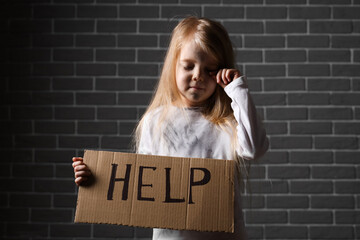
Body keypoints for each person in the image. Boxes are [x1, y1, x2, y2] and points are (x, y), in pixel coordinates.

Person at [73, 16, 268, 240]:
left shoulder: (228, 123)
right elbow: (141, 187)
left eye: (209, 69)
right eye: (188, 66)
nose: (197, 75)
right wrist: (95, 179)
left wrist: (237, 89)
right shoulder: (155, 122)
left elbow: (255, 149)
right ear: (173, 65)